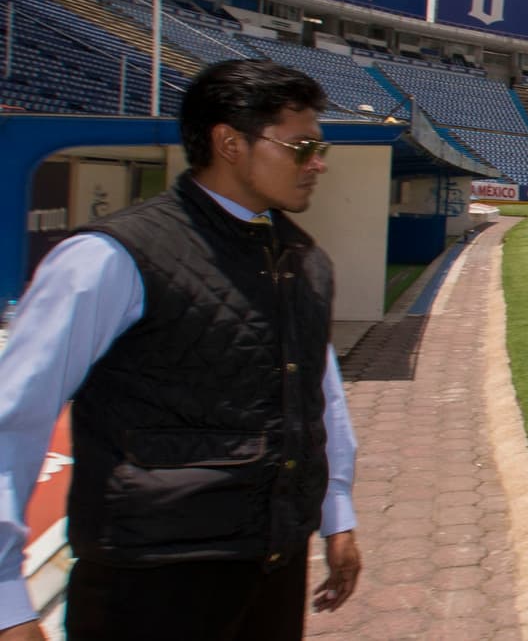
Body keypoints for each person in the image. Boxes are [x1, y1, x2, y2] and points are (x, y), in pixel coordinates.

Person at [0, 59, 361, 640]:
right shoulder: (109, 257)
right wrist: (6, 600)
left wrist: (336, 512)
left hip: (271, 564)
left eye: (320, 149)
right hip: (149, 582)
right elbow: (13, 417)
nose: (317, 163)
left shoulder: (303, 258)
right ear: (229, 143)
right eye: (300, 146)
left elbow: (320, 394)